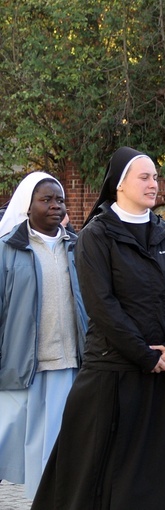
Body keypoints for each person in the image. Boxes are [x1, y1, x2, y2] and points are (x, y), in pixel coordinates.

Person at [32, 147, 165, 509]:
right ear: (120, 183)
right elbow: (102, 306)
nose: (153, 183)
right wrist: (143, 354)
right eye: (144, 176)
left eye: (156, 177)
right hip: (116, 374)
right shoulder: (97, 235)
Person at [0, 173, 87, 499]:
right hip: (26, 369)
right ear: (28, 205)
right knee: (29, 450)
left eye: (59, 200)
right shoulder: (9, 250)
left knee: (64, 451)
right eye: (46, 199)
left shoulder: (77, 246)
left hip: (72, 365)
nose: (55, 205)